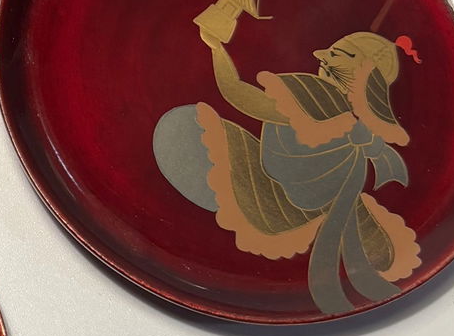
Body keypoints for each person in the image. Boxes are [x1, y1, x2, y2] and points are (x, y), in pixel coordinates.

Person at [153, 16, 421, 316]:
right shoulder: (345, 113)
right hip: (297, 194)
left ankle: (194, 226)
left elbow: (239, 95)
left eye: (338, 53)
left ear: (360, 70)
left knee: (185, 126)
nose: (323, 55)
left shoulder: (317, 100)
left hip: (277, 201)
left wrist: (216, 46)